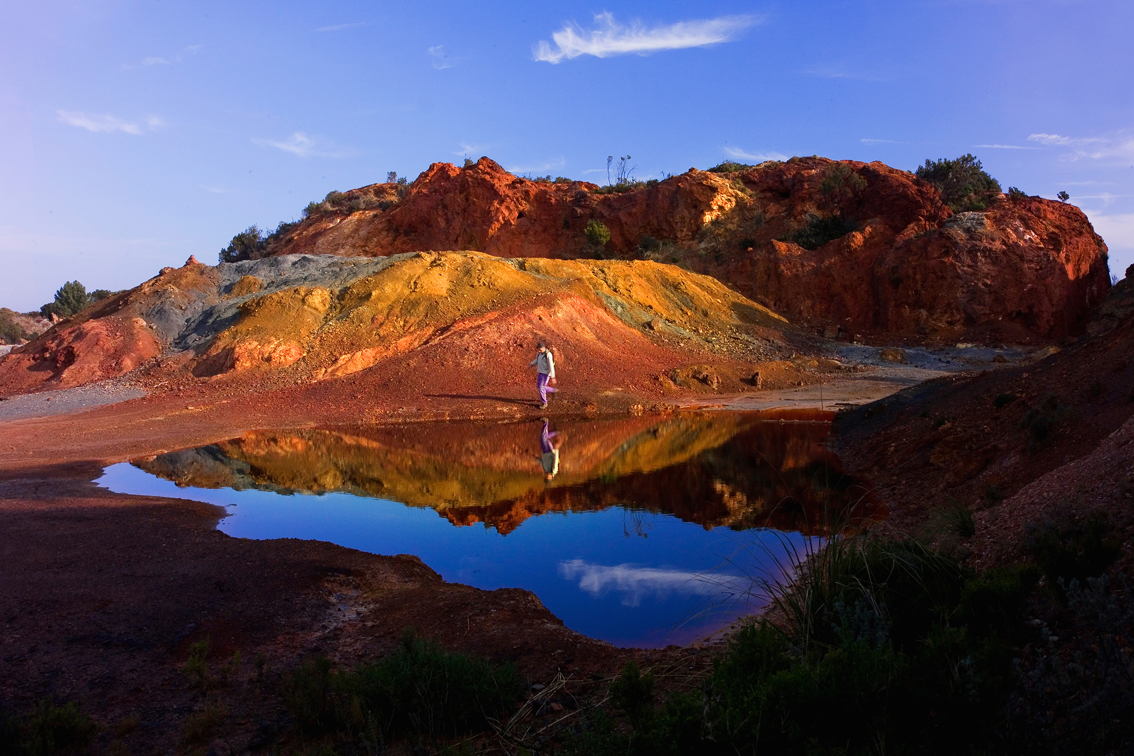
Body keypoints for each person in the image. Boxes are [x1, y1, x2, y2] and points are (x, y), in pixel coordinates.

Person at [529, 340, 557, 409]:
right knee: (540, 387)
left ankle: (544, 403)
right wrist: (532, 364)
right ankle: (553, 390)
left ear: (543, 348)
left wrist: (553, 377)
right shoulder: (539, 354)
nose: (539, 351)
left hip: (546, 374)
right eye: (538, 349)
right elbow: (537, 360)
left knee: (541, 388)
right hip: (541, 373)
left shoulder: (548, 354)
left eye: (540, 349)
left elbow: (551, 366)